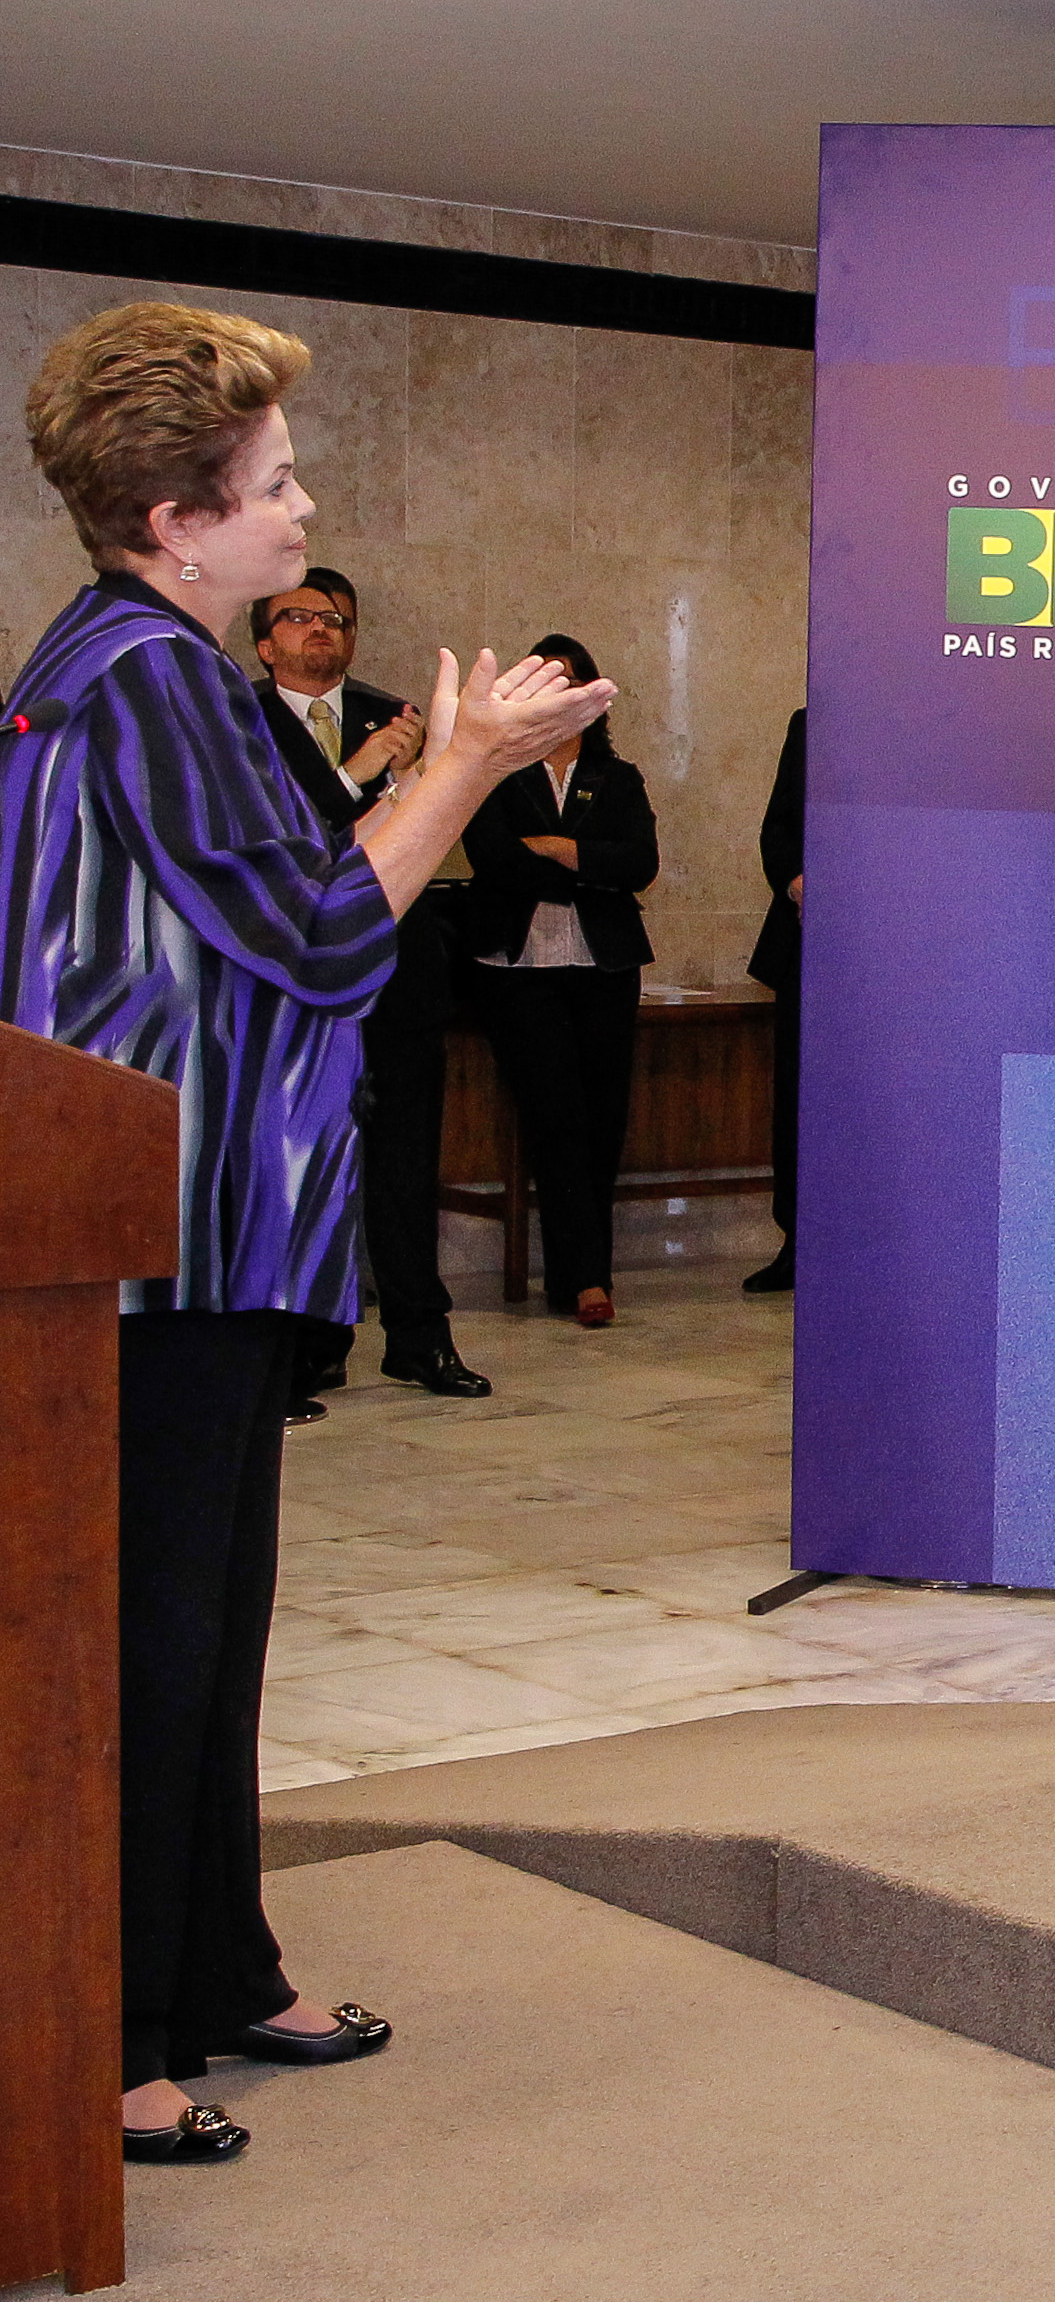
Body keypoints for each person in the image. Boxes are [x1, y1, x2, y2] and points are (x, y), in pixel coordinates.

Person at [3, 299, 607, 2164]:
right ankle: (109, 2037)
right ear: (175, 522)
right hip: (149, 1234)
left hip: (188, 1228)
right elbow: (333, 936)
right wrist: (470, 763)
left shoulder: (138, 663)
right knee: (146, 1644)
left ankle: (215, 1965)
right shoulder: (148, 678)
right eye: (270, 485)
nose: (301, 509)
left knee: (208, 1625)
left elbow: (278, 897)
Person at [251, 565, 490, 1406]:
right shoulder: (235, 719)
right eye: (301, 616)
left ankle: (419, 1336)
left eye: (338, 619)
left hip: (398, 974)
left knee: (405, 1163)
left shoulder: (401, 718)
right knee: (299, 1168)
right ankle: (304, 1350)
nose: (323, 629)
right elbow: (279, 847)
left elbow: (433, 832)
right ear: (264, 642)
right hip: (297, 985)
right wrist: (357, 774)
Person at [464, 632, 656, 1329]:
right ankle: (584, 1278)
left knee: (603, 1119)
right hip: (519, 971)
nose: (562, 693)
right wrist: (587, 866)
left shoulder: (618, 777)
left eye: (573, 681)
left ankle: (583, 1272)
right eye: (548, 681)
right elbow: (494, 861)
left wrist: (560, 848)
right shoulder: (497, 769)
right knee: (558, 1119)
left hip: (604, 967)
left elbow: (638, 864)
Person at [744, 707, 803, 1295]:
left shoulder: (923, 724)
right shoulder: (809, 724)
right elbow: (777, 828)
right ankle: (796, 1239)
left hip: (899, 953)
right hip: (807, 944)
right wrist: (794, 881)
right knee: (796, 1096)